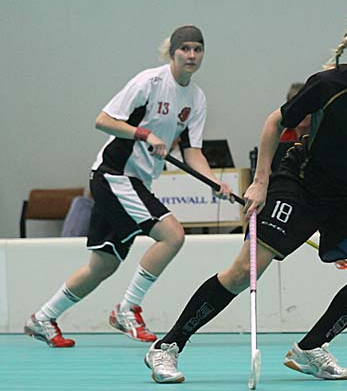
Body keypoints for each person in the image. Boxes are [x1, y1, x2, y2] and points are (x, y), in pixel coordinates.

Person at [145, 9, 347, 383]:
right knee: (243, 272)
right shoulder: (330, 85)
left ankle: (311, 348)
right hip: (300, 186)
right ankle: (167, 346)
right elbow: (275, 122)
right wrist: (260, 182)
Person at [24, 25, 233, 347]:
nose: (191, 55)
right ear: (172, 52)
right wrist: (144, 134)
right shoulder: (149, 82)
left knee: (102, 265)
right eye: (185, 48)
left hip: (138, 181)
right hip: (114, 174)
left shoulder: (196, 98)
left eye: (198, 49)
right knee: (172, 235)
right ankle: (127, 309)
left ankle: (43, 318)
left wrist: (214, 182)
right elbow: (103, 120)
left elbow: (192, 151)